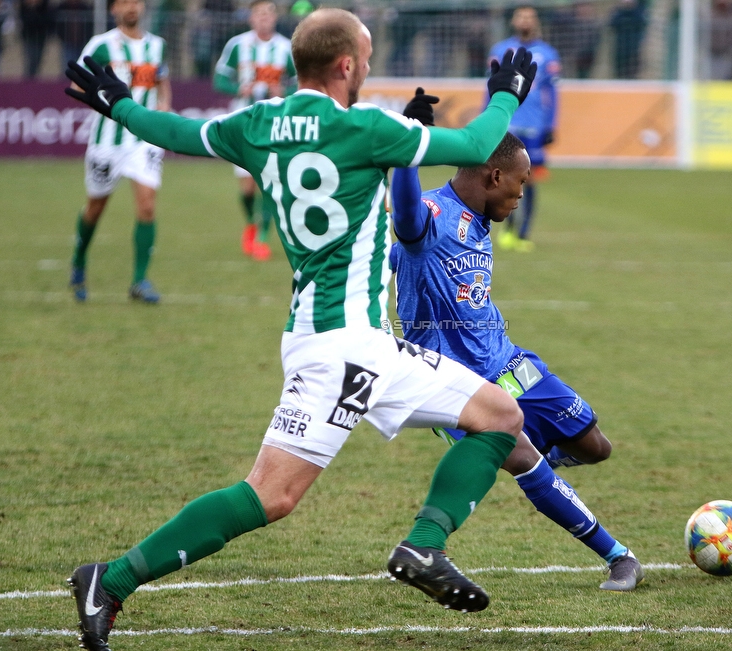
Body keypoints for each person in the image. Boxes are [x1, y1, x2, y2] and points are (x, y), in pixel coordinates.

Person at [64, 9, 538, 649]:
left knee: (499, 415)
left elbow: (171, 131)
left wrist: (118, 103)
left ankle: (424, 547)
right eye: (366, 57)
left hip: (346, 339)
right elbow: (479, 147)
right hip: (344, 348)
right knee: (271, 495)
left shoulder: (257, 125)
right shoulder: (368, 128)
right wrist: (506, 95)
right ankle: (111, 580)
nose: (367, 67)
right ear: (346, 65)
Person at [387, 90, 644, 592]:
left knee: (596, 447)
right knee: (522, 455)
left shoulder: (479, 218)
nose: (523, 194)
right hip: (459, 386)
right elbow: (406, 218)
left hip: (511, 360)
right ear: (494, 176)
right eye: (521, 183)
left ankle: (544, 470)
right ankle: (619, 556)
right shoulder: (433, 220)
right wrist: (408, 151)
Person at [68, 0, 171, 304]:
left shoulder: (158, 46)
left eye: (136, 2)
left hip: (144, 141)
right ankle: (79, 260)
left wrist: (164, 104)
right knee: (95, 208)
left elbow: (162, 81)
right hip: (107, 142)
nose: (132, 7)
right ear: (113, 9)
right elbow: (77, 84)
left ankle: (139, 281)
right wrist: (101, 101)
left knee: (147, 207)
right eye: (125, 2)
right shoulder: (102, 46)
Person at [213, 0, 295, 261]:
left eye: (269, 13)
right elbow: (219, 79)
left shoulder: (285, 48)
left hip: (274, 123)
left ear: (274, 18)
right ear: (251, 18)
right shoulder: (238, 45)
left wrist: (285, 92)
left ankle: (261, 236)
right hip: (245, 121)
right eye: (259, 14)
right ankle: (251, 221)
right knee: (247, 188)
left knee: (270, 184)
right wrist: (238, 88)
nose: (264, 18)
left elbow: (301, 81)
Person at [488, 5, 559, 253]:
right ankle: (506, 229)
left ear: (536, 21)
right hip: (507, 124)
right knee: (501, 177)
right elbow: (489, 88)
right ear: (514, 21)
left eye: (530, 16)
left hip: (535, 127)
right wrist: (485, 117)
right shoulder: (501, 50)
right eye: (521, 16)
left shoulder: (548, 54)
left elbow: (553, 92)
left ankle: (524, 232)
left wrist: (551, 124)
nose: (525, 20)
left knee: (530, 181)